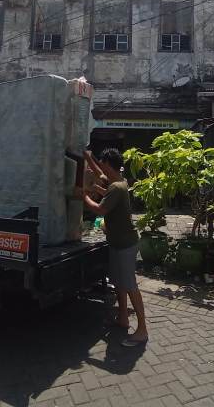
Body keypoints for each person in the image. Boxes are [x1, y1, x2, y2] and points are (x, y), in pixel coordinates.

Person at [80, 148, 148, 347]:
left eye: (102, 163)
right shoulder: (118, 183)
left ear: (108, 164)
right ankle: (123, 319)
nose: (100, 167)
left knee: (130, 285)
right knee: (118, 283)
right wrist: (88, 157)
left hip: (126, 245)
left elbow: (100, 209)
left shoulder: (117, 187)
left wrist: (84, 194)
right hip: (118, 243)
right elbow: (101, 179)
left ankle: (142, 330)